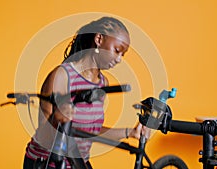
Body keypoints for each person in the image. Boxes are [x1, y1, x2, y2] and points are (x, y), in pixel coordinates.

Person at [23, 16, 149, 169]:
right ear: (99, 39)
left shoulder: (102, 83)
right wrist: (57, 120)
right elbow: (43, 134)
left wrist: (131, 132)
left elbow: (90, 131)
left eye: (123, 54)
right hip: (46, 163)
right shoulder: (62, 76)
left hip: (77, 163)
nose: (119, 59)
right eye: (117, 51)